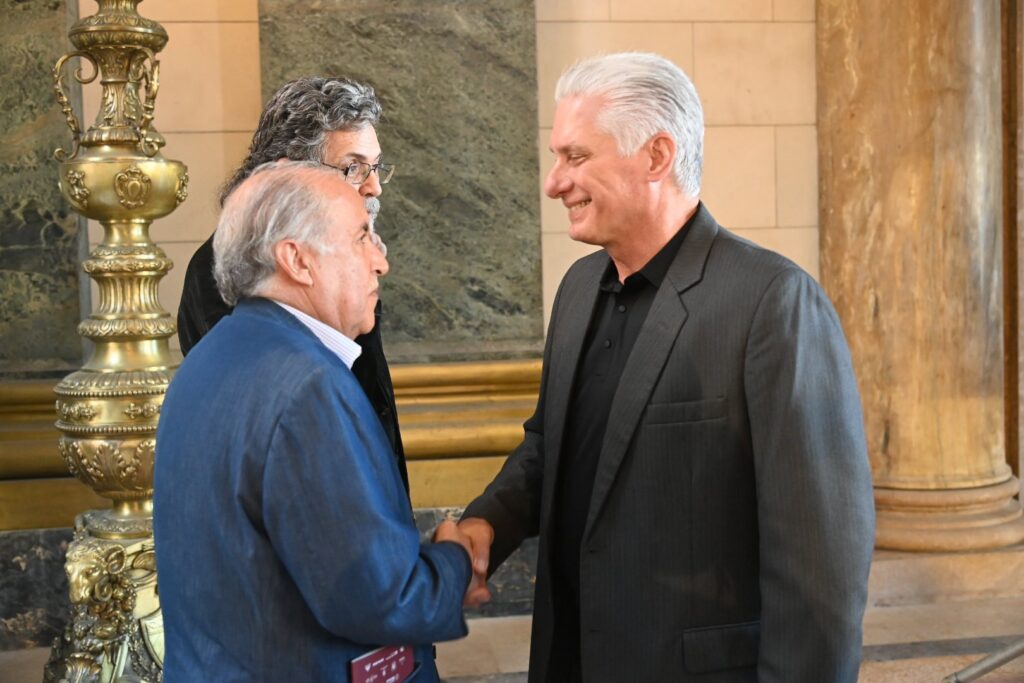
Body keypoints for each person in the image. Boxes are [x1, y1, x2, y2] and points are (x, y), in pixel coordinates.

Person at [458, 52, 876, 682]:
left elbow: (821, 564)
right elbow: (551, 447)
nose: (553, 182)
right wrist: (487, 522)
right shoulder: (577, 288)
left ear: (656, 156)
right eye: (556, 157)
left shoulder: (772, 302)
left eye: (576, 157)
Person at [154, 161, 477, 682]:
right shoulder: (309, 386)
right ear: (297, 260)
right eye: (362, 237)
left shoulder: (205, 361)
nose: (381, 262)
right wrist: (455, 562)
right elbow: (380, 598)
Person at [176, 77, 407, 490]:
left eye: (375, 167)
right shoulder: (222, 272)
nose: (373, 186)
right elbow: (285, 443)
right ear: (290, 173)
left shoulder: (340, 260)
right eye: (354, 168)